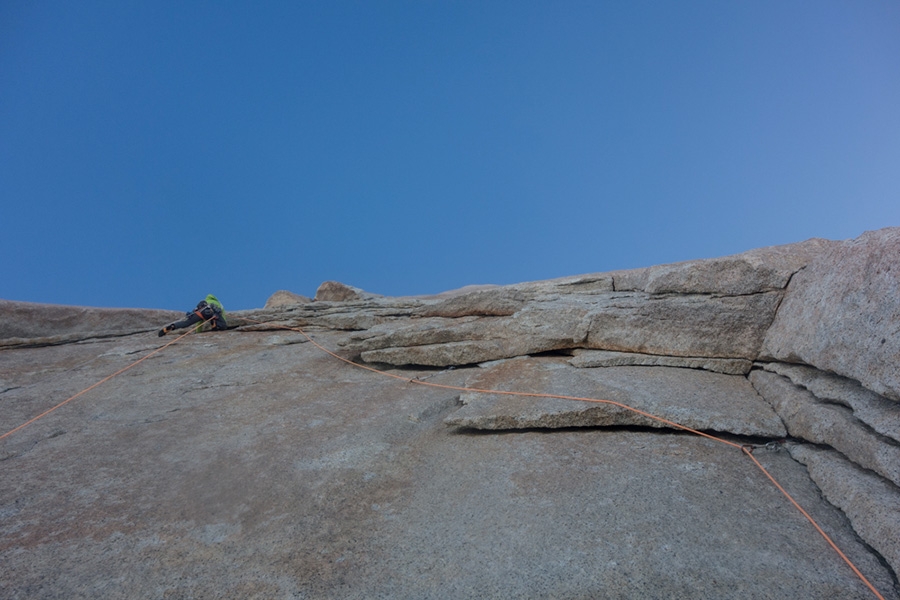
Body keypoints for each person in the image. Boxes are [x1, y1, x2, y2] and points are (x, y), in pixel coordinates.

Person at [159, 295, 227, 336]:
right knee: (223, 325)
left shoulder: (205, 301)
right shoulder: (217, 302)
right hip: (211, 312)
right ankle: (213, 323)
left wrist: (198, 331)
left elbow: (199, 322)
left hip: (199, 312)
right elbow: (222, 314)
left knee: (186, 323)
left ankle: (172, 326)